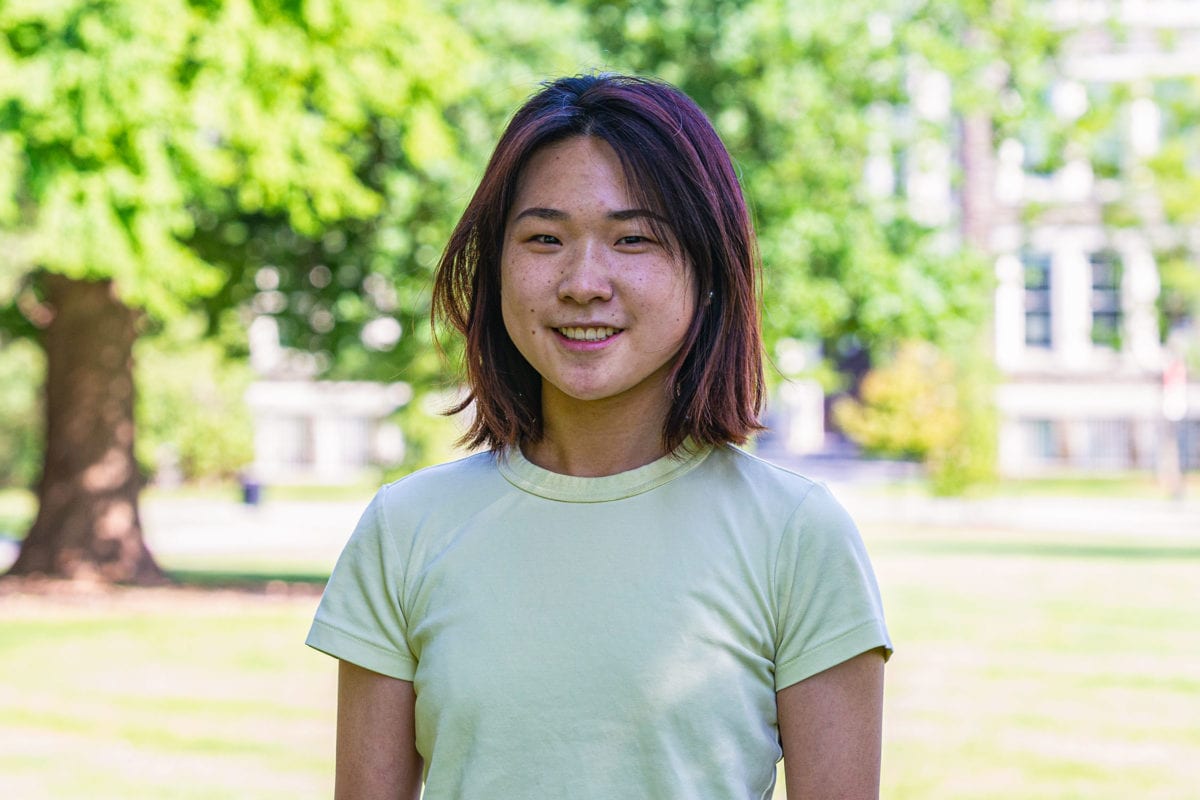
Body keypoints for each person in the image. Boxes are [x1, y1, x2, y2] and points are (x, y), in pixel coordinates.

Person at [306, 73, 892, 799]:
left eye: (633, 238)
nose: (584, 281)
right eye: (545, 238)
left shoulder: (797, 537)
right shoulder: (404, 530)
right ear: (495, 268)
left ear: (708, 268)